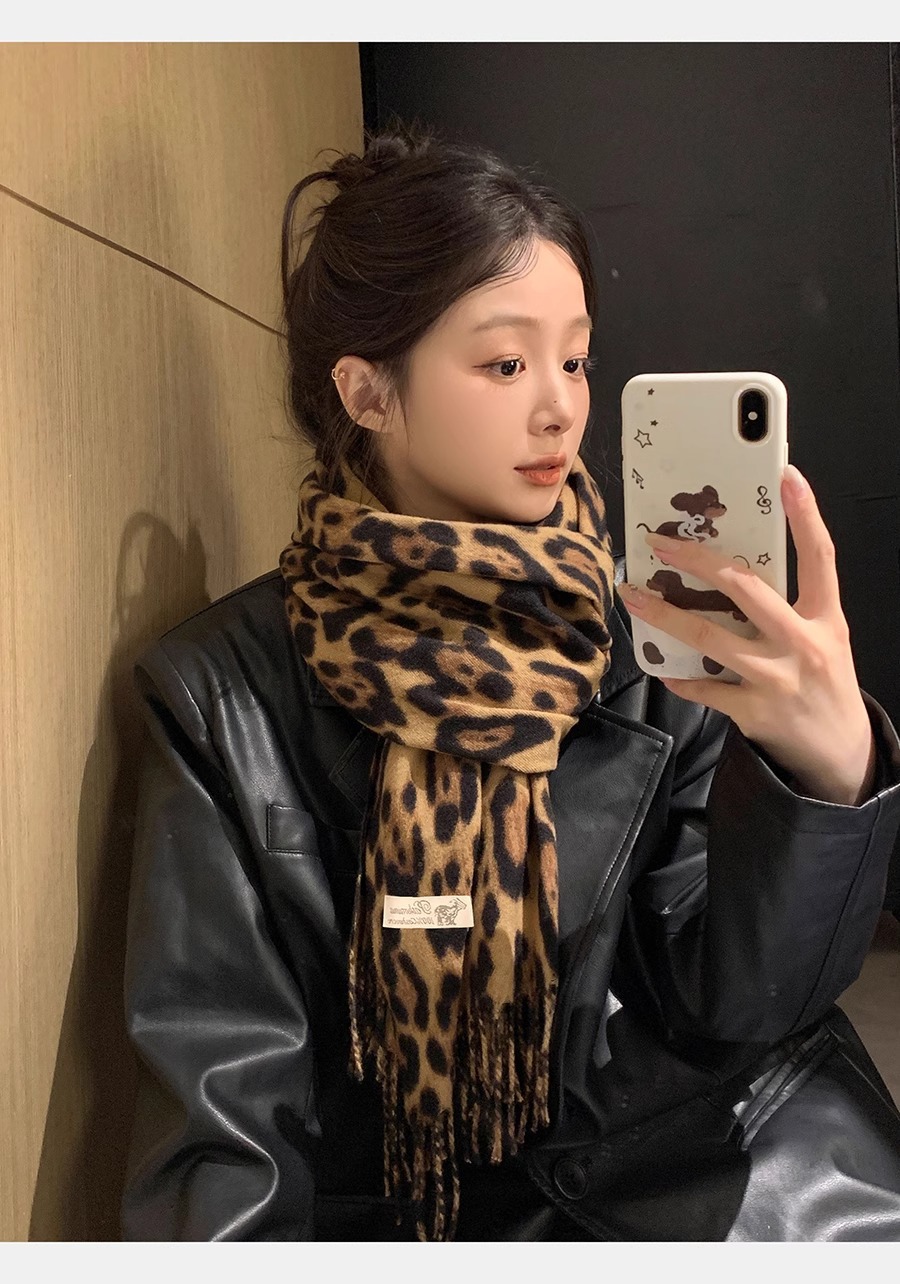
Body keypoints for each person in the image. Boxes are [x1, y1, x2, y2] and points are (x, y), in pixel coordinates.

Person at [121, 123, 900, 1242]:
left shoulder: (644, 632)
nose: (561, 408)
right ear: (367, 392)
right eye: (505, 364)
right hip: (426, 1215)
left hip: (696, 1170)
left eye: (574, 360)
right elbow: (224, 1114)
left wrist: (826, 776)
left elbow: (736, 1005)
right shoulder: (225, 695)